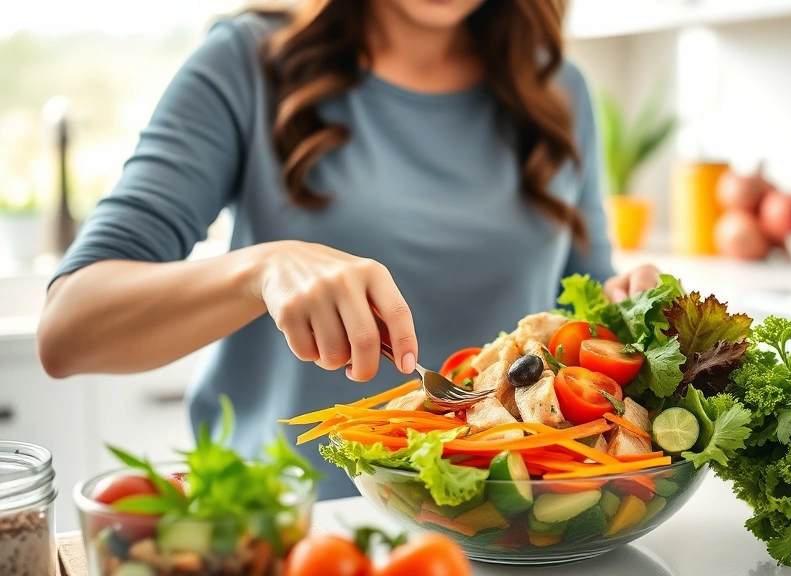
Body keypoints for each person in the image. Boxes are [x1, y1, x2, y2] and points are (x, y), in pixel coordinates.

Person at [37, 0, 661, 499]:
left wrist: (628, 313)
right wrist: (259, 270)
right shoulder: (247, 63)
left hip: (506, 534)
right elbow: (69, 327)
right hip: (279, 532)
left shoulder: (556, 91)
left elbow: (579, 306)